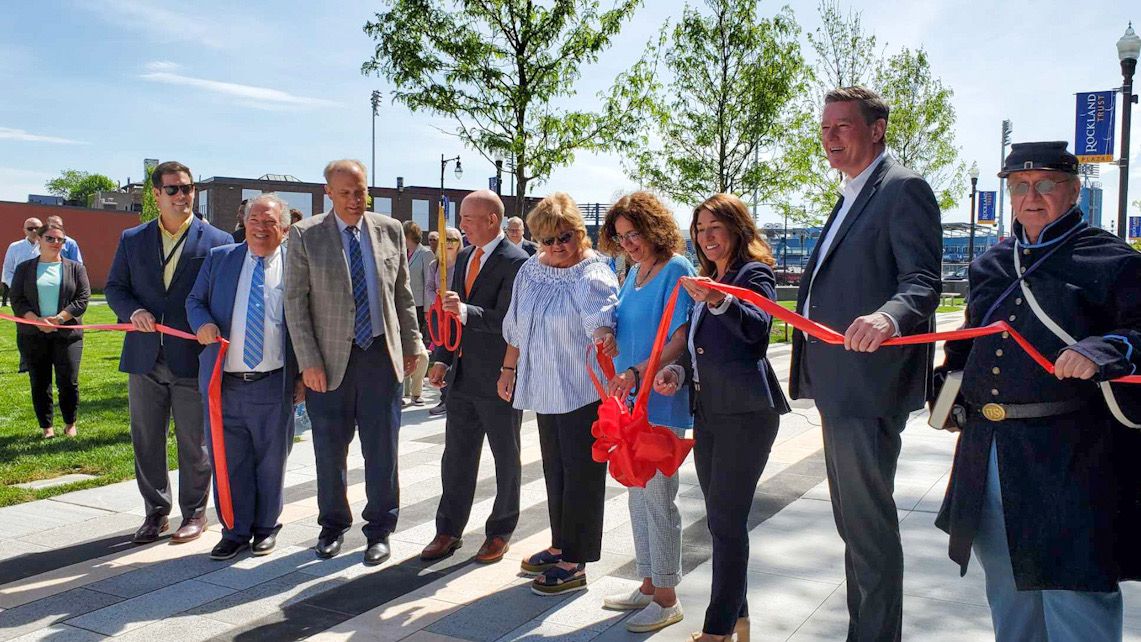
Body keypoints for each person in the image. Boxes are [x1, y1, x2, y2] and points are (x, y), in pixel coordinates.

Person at [934, 141, 1141, 642]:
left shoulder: (1112, 259)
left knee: (1077, 597)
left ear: (1072, 190)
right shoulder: (992, 264)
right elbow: (971, 338)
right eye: (1020, 185)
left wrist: (1104, 349)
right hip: (988, 453)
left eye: (1046, 183)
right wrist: (948, 386)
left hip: (1070, 458)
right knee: (1009, 597)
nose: (1031, 195)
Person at [789, 86, 942, 642]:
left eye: (842, 127)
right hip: (839, 384)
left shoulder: (902, 189)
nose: (829, 137)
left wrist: (888, 317)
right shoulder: (853, 192)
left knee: (868, 529)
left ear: (877, 129)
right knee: (854, 527)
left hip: (869, 386)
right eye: (825, 127)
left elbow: (922, 281)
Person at [655, 194, 790, 642]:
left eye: (715, 228)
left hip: (747, 414)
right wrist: (676, 371)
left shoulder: (753, 274)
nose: (706, 237)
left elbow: (755, 333)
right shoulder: (709, 279)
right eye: (699, 229)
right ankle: (739, 620)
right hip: (710, 413)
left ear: (736, 229)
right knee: (720, 520)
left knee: (727, 523)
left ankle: (717, 630)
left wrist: (718, 301)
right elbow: (701, 349)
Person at [284, 159, 421, 565]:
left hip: (381, 357)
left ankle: (380, 529)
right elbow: (295, 304)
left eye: (360, 191)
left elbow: (403, 295)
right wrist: (307, 362)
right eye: (344, 192)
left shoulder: (389, 230)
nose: (354, 200)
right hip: (328, 362)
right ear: (328, 192)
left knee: (382, 451)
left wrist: (412, 343)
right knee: (329, 450)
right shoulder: (305, 235)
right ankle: (333, 526)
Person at [105, 160, 234, 545]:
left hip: (193, 358)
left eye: (188, 188)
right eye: (174, 189)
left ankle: (194, 514)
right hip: (144, 357)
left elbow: (222, 300)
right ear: (156, 194)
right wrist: (133, 311)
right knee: (147, 438)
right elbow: (115, 288)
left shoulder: (218, 241)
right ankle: (155, 513)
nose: (183, 195)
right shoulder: (133, 239)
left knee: (194, 441)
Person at [500, 192, 618, 596]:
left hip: (582, 389)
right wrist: (508, 368)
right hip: (545, 386)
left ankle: (576, 559)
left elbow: (600, 316)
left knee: (582, 474)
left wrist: (603, 334)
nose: (556, 247)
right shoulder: (532, 269)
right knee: (556, 469)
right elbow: (516, 322)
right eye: (547, 240)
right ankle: (560, 542)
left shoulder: (592, 272)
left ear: (580, 234)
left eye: (564, 237)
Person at [595, 191, 695, 633]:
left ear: (654, 227)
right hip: (630, 401)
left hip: (659, 396)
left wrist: (639, 372)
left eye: (634, 233)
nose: (629, 243)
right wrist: (607, 332)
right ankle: (650, 582)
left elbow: (679, 336)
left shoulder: (676, 268)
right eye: (621, 237)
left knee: (657, 497)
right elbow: (627, 322)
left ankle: (668, 595)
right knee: (637, 492)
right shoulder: (633, 271)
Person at [186, 193, 301, 560]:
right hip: (225, 382)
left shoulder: (298, 266)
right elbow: (194, 301)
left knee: (270, 460)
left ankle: (266, 528)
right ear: (244, 223)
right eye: (255, 220)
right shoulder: (221, 259)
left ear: (283, 228)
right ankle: (234, 530)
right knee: (228, 458)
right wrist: (202, 322)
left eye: (270, 222)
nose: (261, 228)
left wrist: (303, 376)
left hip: (274, 382)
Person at [421, 191, 528, 564]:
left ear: (492, 220)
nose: (461, 225)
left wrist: (468, 311)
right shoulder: (464, 256)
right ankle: (448, 530)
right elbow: (452, 318)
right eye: (462, 218)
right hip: (463, 378)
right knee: (457, 458)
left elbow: (512, 320)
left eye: (468, 218)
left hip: (499, 375)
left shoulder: (517, 262)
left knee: (505, 457)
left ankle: (500, 531)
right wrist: (441, 360)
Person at [9, 222, 90, 439]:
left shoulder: (75, 268)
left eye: (60, 240)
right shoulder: (24, 268)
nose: (56, 243)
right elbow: (17, 299)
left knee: (68, 381)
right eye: (50, 238)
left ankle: (70, 423)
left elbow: (82, 299)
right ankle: (47, 427)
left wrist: (59, 319)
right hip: (33, 335)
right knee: (40, 381)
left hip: (68, 335)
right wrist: (36, 320)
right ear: (39, 239)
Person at [424, 227, 461, 417]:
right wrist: (438, 301)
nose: (450, 243)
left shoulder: (464, 262)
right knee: (441, 351)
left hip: (458, 314)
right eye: (446, 240)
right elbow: (429, 288)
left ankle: (453, 397)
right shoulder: (435, 264)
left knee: (455, 354)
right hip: (440, 314)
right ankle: (444, 397)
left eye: (454, 240)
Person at [403, 220, 431, 406]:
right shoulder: (402, 253)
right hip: (403, 307)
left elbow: (428, 283)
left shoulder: (425, 253)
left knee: (420, 352)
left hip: (419, 307)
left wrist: (428, 310)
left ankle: (416, 391)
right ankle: (403, 393)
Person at [3, 217, 42, 308]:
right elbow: (7, 269)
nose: (34, 231)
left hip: (43, 291)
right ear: (24, 230)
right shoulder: (14, 247)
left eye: (37, 228)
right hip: (20, 293)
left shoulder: (48, 246)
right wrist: (15, 286)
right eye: (30, 229)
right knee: (22, 320)